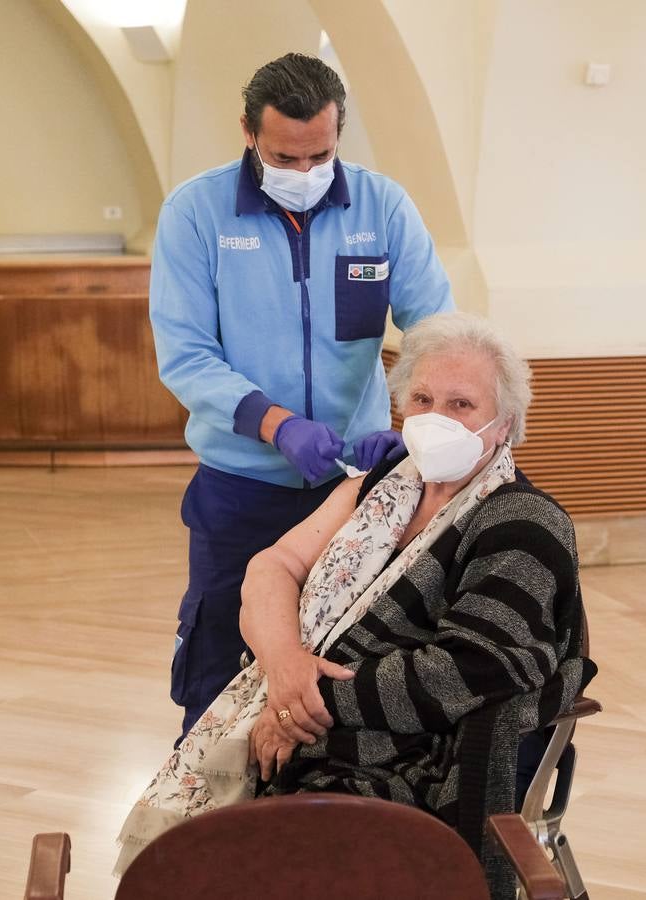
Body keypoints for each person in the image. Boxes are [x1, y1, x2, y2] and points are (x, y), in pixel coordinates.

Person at [116, 313, 596, 885]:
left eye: (461, 405)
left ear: (503, 425)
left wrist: (303, 707)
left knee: (271, 861)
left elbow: (467, 669)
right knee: (202, 863)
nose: (435, 417)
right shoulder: (384, 483)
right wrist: (285, 669)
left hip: (412, 755)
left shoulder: (524, 523)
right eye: (421, 397)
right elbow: (271, 568)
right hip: (309, 725)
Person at [150, 52, 455, 738]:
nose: (304, 174)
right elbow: (187, 354)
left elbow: (435, 331)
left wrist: (412, 426)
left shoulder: (382, 207)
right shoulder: (195, 214)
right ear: (248, 133)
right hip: (241, 490)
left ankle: (321, 818)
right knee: (220, 665)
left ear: (339, 132)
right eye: (285, 158)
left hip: (354, 487)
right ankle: (212, 816)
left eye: (319, 155)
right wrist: (277, 424)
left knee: (344, 660)